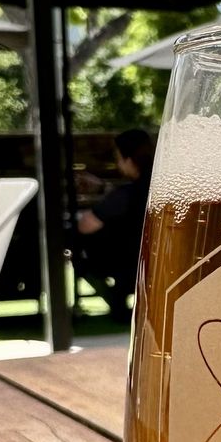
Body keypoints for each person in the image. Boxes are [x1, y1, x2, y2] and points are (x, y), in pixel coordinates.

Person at [76, 129, 154, 320]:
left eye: (118, 158)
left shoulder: (127, 194)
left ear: (129, 160)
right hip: (147, 258)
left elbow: (86, 225)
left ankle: (116, 304)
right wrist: (103, 188)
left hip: (122, 261)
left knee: (79, 255)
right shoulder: (158, 190)